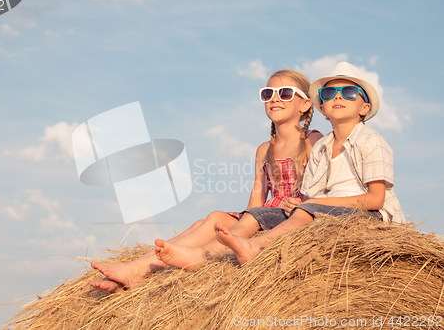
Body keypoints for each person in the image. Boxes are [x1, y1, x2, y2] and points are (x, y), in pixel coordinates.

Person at [90, 70, 322, 291]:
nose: (274, 99)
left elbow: (324, 189)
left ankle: (138, 269)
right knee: (203, 223)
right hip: (262, 215)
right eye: (267, 93)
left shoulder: (313, 140)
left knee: (214, 219)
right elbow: (255, 201)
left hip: (291, 216)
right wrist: (243, 221)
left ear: (305, 104)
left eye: (285, 93)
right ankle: (135, 269)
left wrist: (303, 202)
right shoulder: (264, 150)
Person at [213, 62, 405, 266]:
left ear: (364, 107)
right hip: (329, 212)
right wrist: (300, 203)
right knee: (258, 214)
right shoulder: (322, 147)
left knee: (306, 211)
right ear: (322, 108)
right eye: (329, 92)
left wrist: (315, 205)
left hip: (371, 216)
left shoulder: (371, 141)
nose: (338, 96)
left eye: (349, 92)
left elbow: (376, 199)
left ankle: (258, 246)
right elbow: (312, 196)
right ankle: (211, 254)